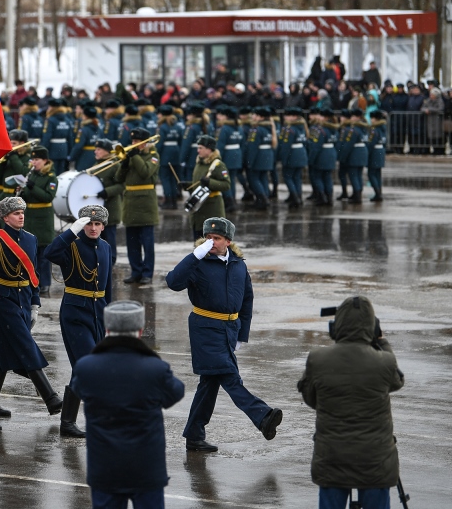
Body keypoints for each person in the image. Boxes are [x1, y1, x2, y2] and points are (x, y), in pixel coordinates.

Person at [166, 217, 283, 452]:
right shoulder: (198, 263)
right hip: (205, 329)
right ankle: (262, 416)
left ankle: (194, 435)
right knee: (230, 377)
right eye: (208, 238)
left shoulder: (239, 265)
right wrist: (194, 256)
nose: (211, 242)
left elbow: (247, 300)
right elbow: (173, 282)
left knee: (209, 383)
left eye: (217, 238)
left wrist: (242, 334)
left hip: (229, 331)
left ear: (228, 241)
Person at [72, 300, 185, 508]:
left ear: (107, 329)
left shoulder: (87, 367)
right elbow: (176, 393)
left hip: (105, 468)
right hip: (146, 469)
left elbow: (79, 390)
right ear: (140, 330)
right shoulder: (154, 368)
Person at [298, 295, 404, 509]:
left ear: (337, 327)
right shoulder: (385, 361)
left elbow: (311, 399)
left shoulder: (318, 359)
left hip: (332, 459)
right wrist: (381, 341)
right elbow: (397, 380)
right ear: (372, 328)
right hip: (376, 462)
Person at [0, 197, 63, 418]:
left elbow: (32, 273)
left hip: (24, 299)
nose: (21, 216)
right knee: (24, 344)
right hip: (3, 299)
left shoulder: (31, 239)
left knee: (2, 350)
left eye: (22, 212)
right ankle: (50, 397)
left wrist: (35, 301)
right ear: (5, 217)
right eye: (16, 213)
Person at [44, 205, 113, 438]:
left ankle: (68, 422)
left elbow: (107, 286)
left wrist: (110, 318)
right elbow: (50, 253)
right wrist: (70, 232)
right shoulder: (70, 245)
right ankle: (77, 420)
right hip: (75, 313)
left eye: (97, 224)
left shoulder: (105, 247)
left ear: (103, 226)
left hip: (98, 313)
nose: (93, 228)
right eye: (88, 224)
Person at [115, 127, 159, 285]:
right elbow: (118, 177)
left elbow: (145, 172)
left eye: (137, 141)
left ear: (145, 142)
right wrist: (125, 162)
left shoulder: (153, 156)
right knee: (132, 241)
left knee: (147, 242)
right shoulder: (132, 156)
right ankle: (136, 271)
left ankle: (147, 273)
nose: (133, 144)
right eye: (132, 141)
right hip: (130, 203)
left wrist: (135, 157)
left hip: (146, 203)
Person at [20, 145, 58, 294]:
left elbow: (48, 196)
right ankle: (32, 280)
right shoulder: (32, 174)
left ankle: (45, 283)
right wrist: (22, 192)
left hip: (43, 219)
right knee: (31, 252)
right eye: (33, 159)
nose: (33, 162)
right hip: (30, 218)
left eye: (37, 159)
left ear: (45, 161)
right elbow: (29, 195)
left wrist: (32, 187)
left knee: (44, 254)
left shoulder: (51, 177)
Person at [185, 135, 230, 240]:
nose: (198, 150)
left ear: (209, 149)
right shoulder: (199, 163)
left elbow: (226, 185)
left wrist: (210, 182)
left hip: (211, 209)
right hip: (198, 210)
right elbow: (198, 184)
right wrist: (187, 185)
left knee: (211, 247)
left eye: (201, 148)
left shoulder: (218, 165)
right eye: (198, 148)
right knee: (198, 248)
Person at [93, 139, 124, 265]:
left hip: (110, 208)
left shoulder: (114, 165)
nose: (96, 151)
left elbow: (121, 185)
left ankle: (111, 262)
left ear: (107, 152)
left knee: (109, 239)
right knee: (98, 239)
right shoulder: (96, 164)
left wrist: (107, 191)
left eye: (99, 149)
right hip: (98, 208)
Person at [245, 107, 277, 210]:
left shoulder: (256, 129)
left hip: (259, 156)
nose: (253, 116)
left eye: (255, 115)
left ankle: (262, 199)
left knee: (254, 178)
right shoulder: (269, 127)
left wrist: (249, 161)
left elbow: (252, 147)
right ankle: (263, 198)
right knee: (263, 178)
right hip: (268, 155)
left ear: (260, 117)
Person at [277, 107, 309, 208]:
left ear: (294, 117)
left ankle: (295, 198)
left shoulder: (290, 129)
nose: (286, 117)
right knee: (297, 178)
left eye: (288, 115)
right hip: (301, 154)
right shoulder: (302, 127)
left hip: (293, 155)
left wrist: (284, 159)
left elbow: (286, 146)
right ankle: (297, 196)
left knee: (288, 177)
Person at [214, 106, 243, 212]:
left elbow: (220, 145)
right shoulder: (238, 127)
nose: (218, 117)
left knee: (225, 180)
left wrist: (216, 158)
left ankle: (229, 202)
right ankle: (233, 200)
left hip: (227, 156)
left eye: (221, 115)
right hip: (237, 155)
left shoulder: (224, 128)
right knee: (232, 181)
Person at [155, 104, 184, 210]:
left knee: (165, 178)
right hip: (176, 153)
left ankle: (168, 200)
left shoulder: (162, 127)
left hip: (166, 154)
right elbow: (181, 141)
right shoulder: (177, 125)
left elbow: (159, 143)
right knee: (173, 179)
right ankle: (174, 201)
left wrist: (156, 154)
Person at [41, 98, 73, 175]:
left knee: (52, 172)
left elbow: (47, 137)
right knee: (61, 172)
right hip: (64, 149)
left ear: (52, 108)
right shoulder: (67, 120)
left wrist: (43, 150)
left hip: (53, 150)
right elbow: (70, 137)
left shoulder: (50, 120)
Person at [70, 105, 101, 172]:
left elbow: (78, 146)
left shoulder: (83, 130)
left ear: (85, 116)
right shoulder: (98, 128)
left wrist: (72, 157)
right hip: (96, 155)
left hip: (84, 157)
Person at [366, 110, 387, 202]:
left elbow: (370, 143)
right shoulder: (383, 128)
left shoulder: (374, 130)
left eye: (372, 118)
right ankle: (379, 192)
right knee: (377, 174)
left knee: (371, 174)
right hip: (381, 150)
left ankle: (377, 193)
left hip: (374, 152)